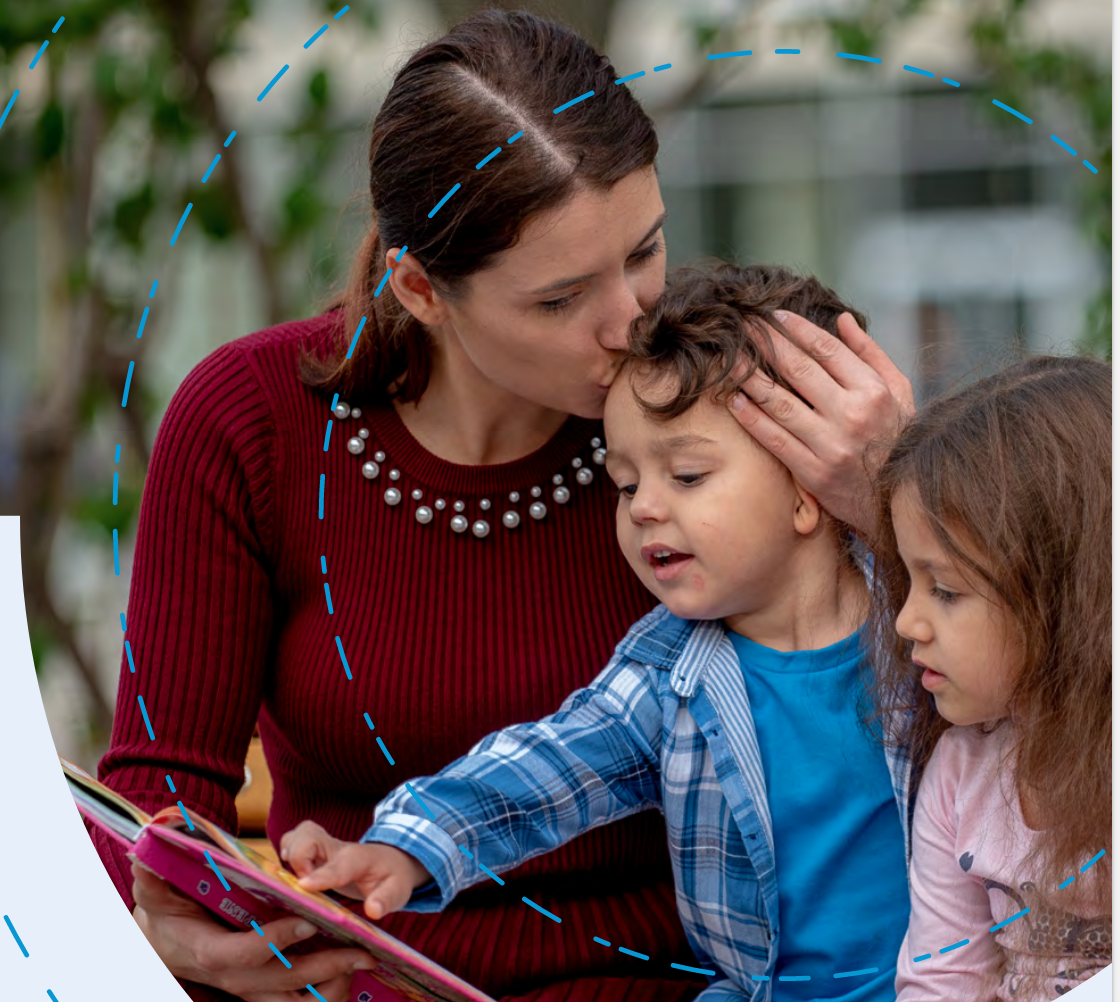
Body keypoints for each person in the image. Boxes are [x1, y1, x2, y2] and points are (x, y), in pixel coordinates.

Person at [93, 10, 912, 1002]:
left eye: (644, 250)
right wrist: (167, 930)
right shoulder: (252, 423)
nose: (631, 321)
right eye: (561, 298)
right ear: (422, 289)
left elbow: (992, 674)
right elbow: (152, 803)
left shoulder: (715, 409)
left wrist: (894, 494)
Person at [280, 263, 914, 1000]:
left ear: (808, 491)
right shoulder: (665, 676)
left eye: (686, 475)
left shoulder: (927, 623)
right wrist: (405, 848)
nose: (643, 508)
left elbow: (1057, 642)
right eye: (626, 483)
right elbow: (537, 773)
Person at [869, 356, 1112, 1000]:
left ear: (1065, 590)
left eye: (944, 590)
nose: (906, 621)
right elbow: (941, 975)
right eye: (909, 583)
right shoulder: (959, 771)